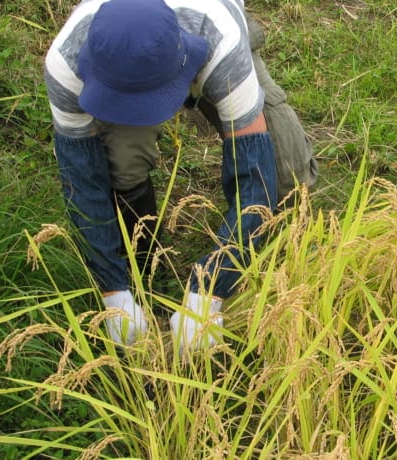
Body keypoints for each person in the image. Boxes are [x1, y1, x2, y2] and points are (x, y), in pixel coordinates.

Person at [44, 0, 316, 353]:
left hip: (209, 37)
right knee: (119, 169)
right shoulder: (66, 65)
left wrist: (211, 290)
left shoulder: (222, 43)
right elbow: (82, 181)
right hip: (118, 68)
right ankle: (140, 271)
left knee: (286, 179)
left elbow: (255, 177)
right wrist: (114, 292)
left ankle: (263, 262)